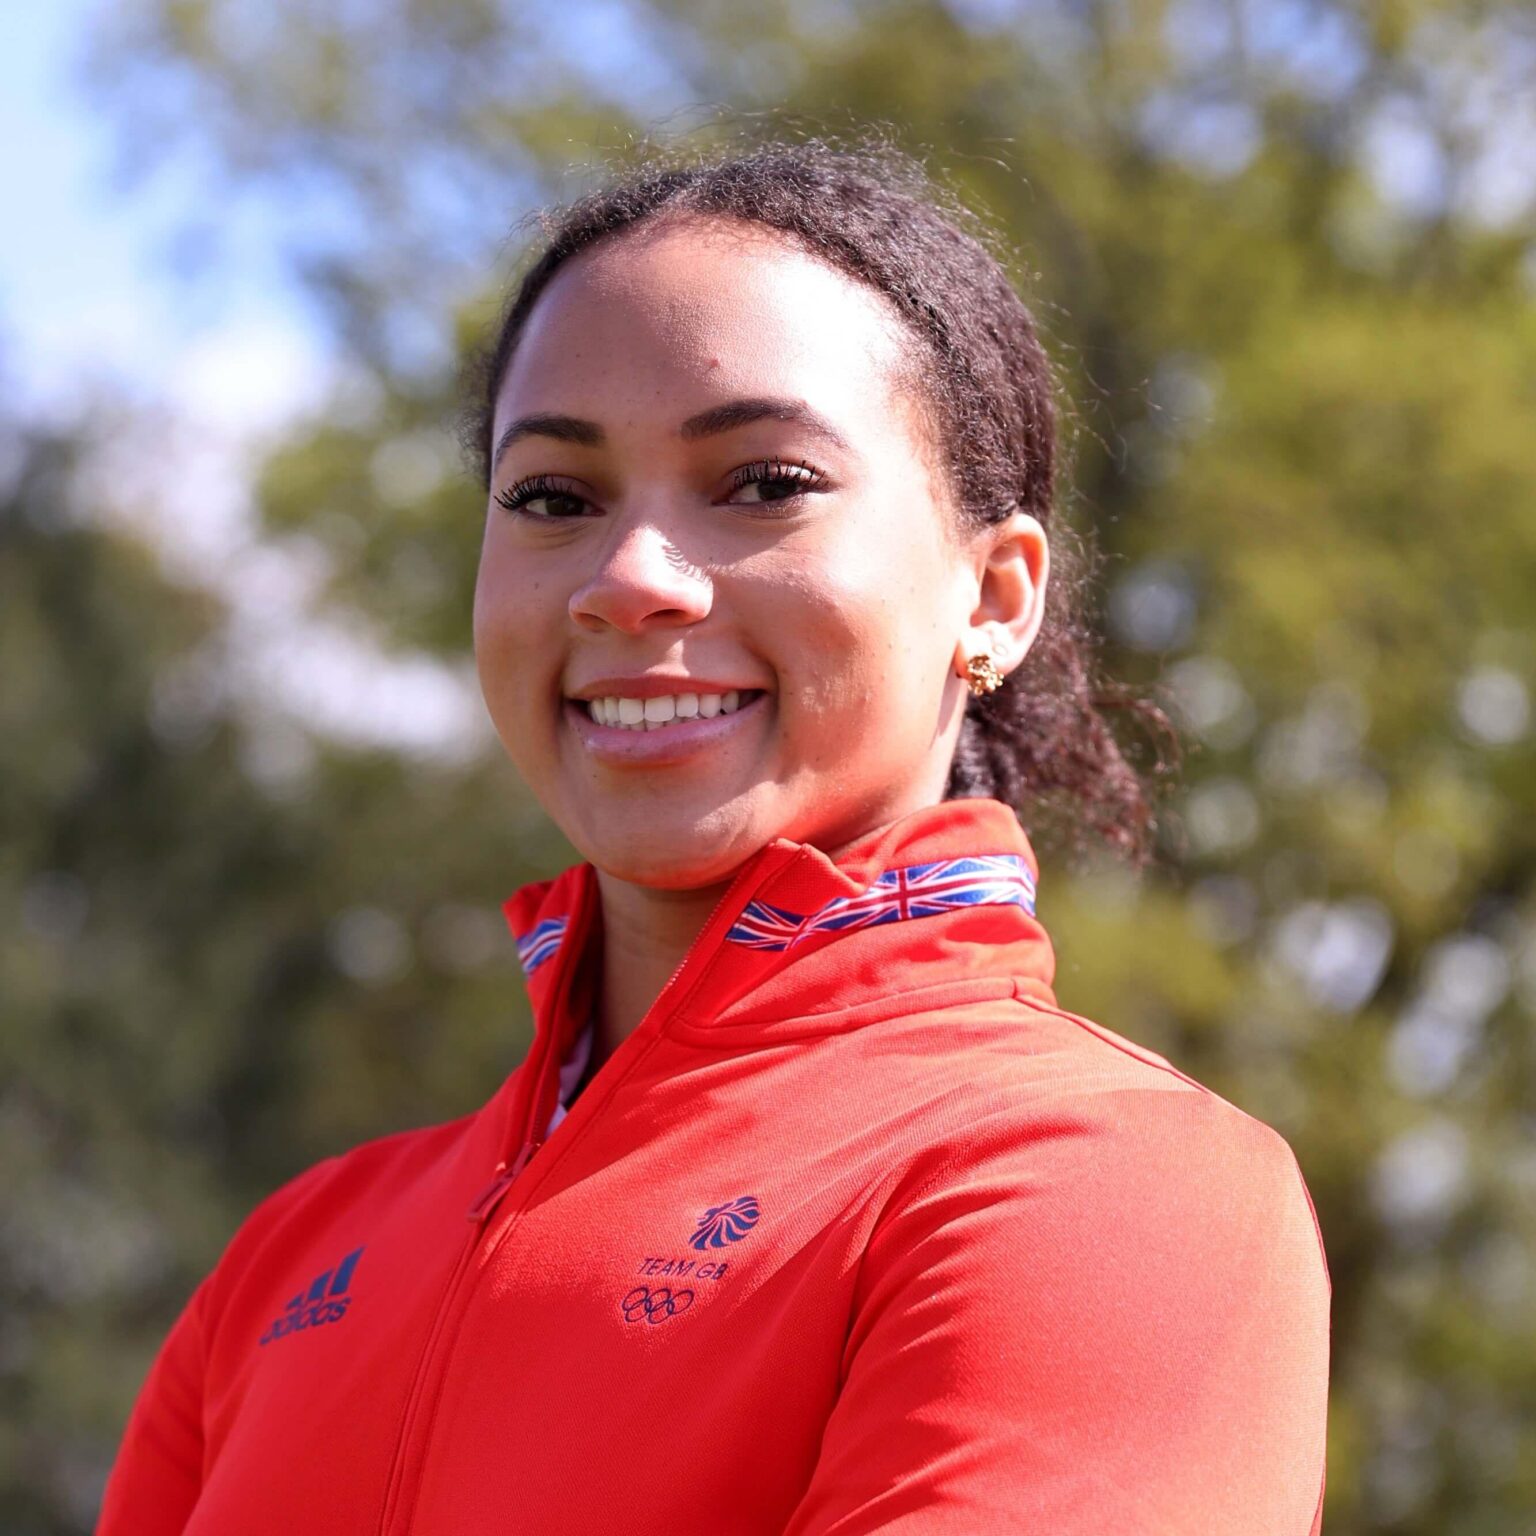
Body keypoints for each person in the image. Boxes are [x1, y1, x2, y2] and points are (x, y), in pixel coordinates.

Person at [100, 138, 1330, 1535]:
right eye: (554, 498)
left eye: (763, 482)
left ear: (994, 595)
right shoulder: (294, 1256)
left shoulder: (1097, 1181)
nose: (629, 580)